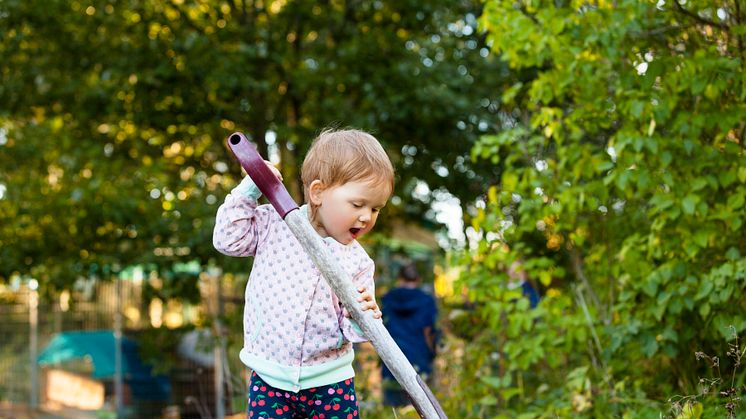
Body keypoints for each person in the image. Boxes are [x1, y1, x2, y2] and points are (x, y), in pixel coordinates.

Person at [213, 128, 394, 418]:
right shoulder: (274, 224)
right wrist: (249, 190)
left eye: (375, 209)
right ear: (318, 192)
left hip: (330, 384)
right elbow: (227, 239)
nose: (366, 216)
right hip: (269, 380)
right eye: (358, 204)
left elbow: (353, 331)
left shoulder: (358, 262)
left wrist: (364, 317)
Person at [380, 263, 438, 407]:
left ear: (399, 278)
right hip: (419, 360)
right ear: (418, 279)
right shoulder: (426, 300)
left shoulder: (387, 298)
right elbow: (428, 332)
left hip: (392, 359)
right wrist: (433, 353)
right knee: (421, 408)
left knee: (393, 410)